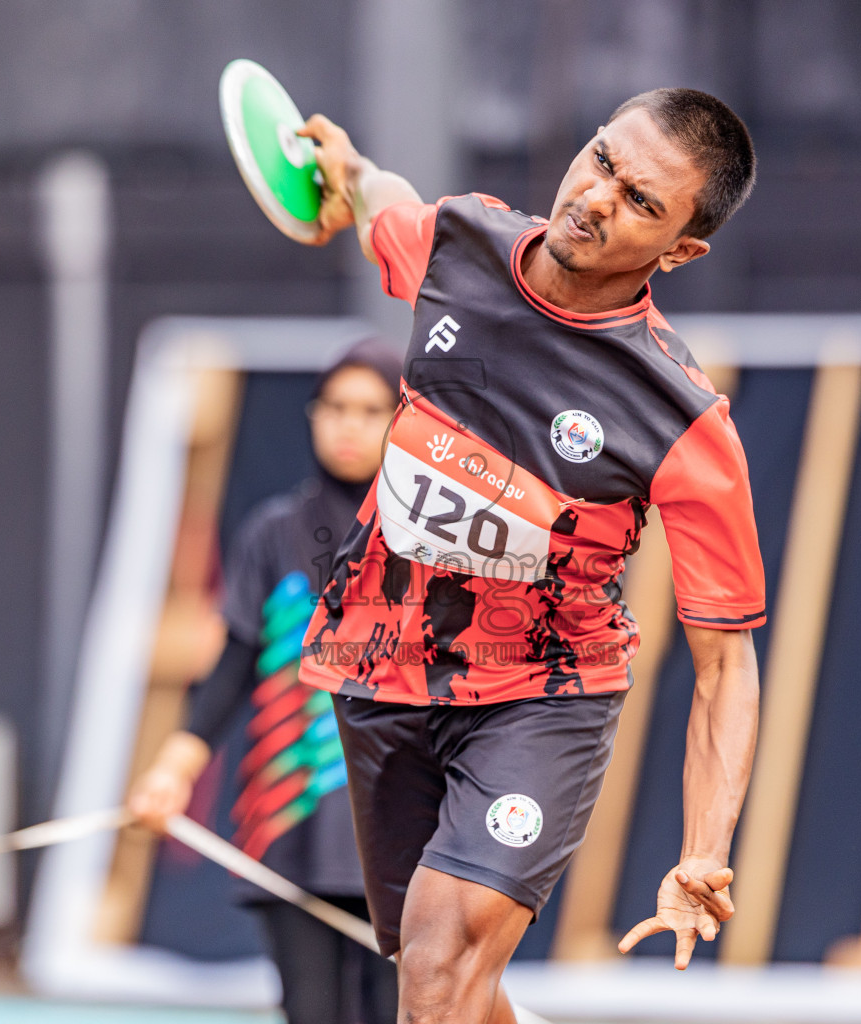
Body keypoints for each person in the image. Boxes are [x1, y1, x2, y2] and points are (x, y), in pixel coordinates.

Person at [289, 88, 766, 1021]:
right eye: (603, 160)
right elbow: (388, 207)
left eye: (640, 202)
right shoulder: (460, 243)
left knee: (440, 965)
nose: (596, 197)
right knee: (443, 975)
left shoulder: (682, 418)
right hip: (383, 669)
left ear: (680, 251)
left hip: (541, 697)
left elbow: (727, 663)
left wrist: (703, 850)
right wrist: (349, 173)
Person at [129, 340, 403, 1024]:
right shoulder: (273, 533)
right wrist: (171, 771)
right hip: (292, 820)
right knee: (310, 1012)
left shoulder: (433, 540)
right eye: (335, 407)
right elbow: (234, 665)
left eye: (370, 410)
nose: (349, 425)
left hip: (404, 827)